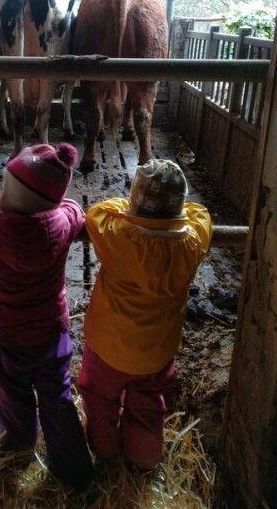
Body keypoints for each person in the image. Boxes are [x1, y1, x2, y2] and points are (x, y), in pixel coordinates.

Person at [0, 143, 93, 492]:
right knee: (58, 396)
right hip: (49, 332)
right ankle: (71, 470)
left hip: (2, 334)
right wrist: (61, 203)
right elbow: (75, 210)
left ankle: (16, 452)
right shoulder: (62, 224)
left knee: (12, 394)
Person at [78, 159, 212, 471]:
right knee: (148, 408)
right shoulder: (192, 243)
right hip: (156, 354)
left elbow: (97, 212)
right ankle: (144, 461)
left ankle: (105, 452)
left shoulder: (119, 237)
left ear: (134, 202)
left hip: (108, 349)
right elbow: (201, 214)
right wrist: (173, 218)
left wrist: (129, 211)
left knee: (100, 401)